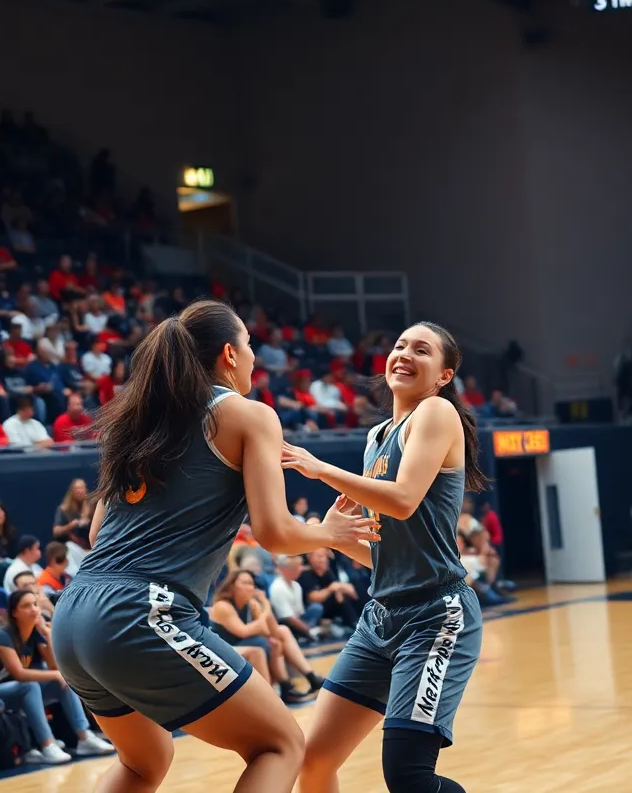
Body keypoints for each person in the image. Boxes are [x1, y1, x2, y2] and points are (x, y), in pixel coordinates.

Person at [49, 299, 378, 793]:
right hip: (141, 611)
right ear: (228, 353)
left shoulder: (137, 422)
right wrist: (328, 533)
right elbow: (274, 533)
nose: (253, 357)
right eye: (249, 345)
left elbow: (98, 535)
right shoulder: (249, 415)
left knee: (145, 761)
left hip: (73, 616)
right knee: (281, 743)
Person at [280, 321, 487, 793]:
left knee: (408, 777)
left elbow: (403, 499)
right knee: (313, 762)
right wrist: (330, 536)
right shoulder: (377, 437)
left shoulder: (435, 412)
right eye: (399, 345)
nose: (404, 354)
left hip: (435, 614)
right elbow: (383, 552)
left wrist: (321, 469)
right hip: (379, 617)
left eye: (421, 350)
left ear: (443, 376)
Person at [0, 588, 114, 765]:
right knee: (31, 685)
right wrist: (54, 674)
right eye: (26, 606)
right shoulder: (2, 634)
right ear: (14, 613)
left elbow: (55, 666)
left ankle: (84, 737)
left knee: (65, 682)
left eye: (35, 604)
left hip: (14, 690)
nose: (33, 609)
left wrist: (47, 634)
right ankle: (47, 744)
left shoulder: (34, 634)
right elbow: (20, 674)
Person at [209, 570, 323, 704]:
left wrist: (263, 607)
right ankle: (270, 698)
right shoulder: (223, 606)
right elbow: (243, 632)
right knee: (260, 643)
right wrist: (266, 607)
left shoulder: (250, 604)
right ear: (232, 585)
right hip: (223, 650)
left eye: (251, 583)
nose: (250, 587)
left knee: (279, 637)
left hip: (243, 645)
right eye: (245, 583)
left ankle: (293, 684)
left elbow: (270, 631)